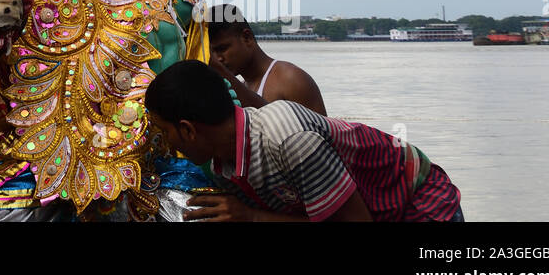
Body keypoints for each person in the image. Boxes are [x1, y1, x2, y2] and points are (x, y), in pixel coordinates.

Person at [145, 60, 463, 222]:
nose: (164, 143)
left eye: (164, 132)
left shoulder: (289, 139)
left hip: (416, 198)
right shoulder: (219, 164)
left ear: (187, 130)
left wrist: (250, 216)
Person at [206, 5, 326, 114]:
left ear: (246, 38)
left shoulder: (291, 80)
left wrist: (222, 73)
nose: (218, 59)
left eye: (222, 48)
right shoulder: (241, 88)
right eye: (212, 53)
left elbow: (325, 134)